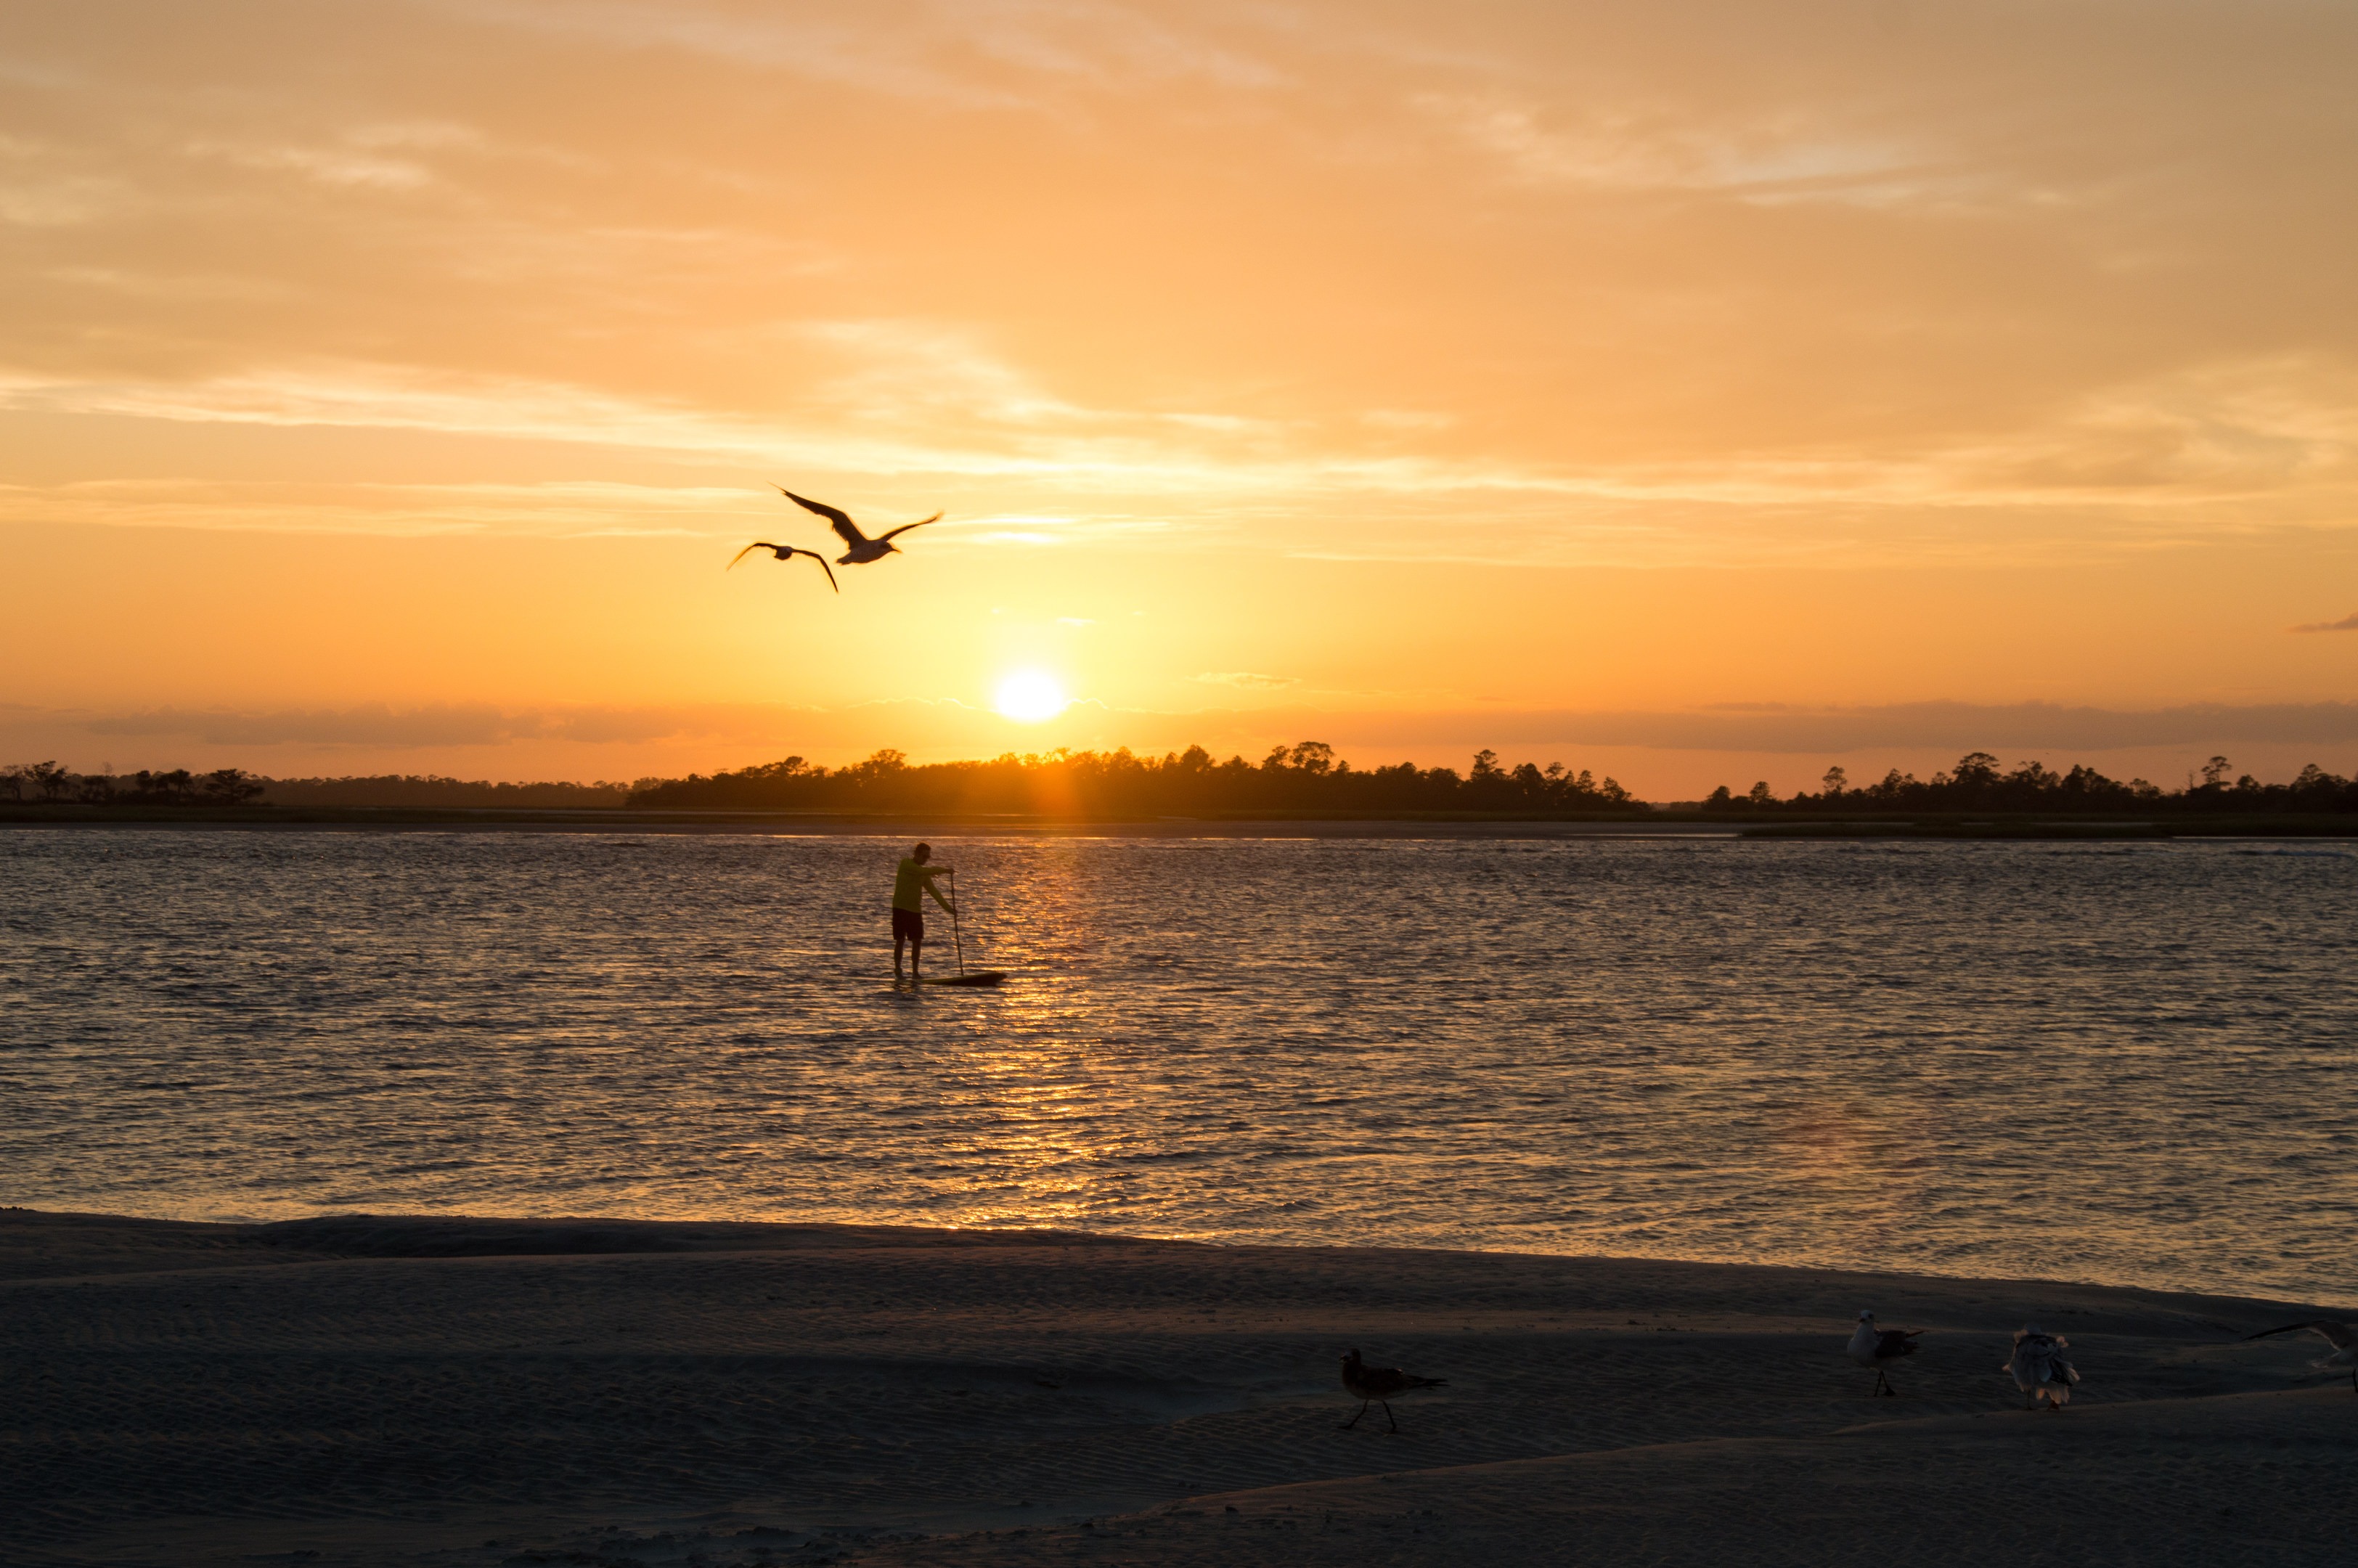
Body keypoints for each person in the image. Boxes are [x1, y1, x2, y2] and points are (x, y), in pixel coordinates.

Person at [892, 842, 955, 980]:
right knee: (900, 940)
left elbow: (935, 893)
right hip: (900, 908)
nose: (926, 859)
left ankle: (915, 973)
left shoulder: (924, 875)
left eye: (928, 857)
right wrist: (944, 870)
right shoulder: (906, 864)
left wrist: (949, 909)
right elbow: (923, 871)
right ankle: (898, 971)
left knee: (917, 941)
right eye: (924, 856)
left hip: (915, 910)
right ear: (917, 854)